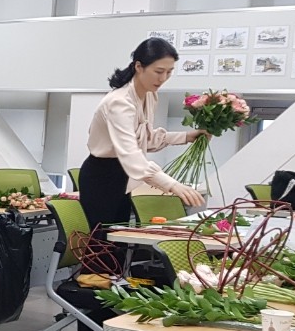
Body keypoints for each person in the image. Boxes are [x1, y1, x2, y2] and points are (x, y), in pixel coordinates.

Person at [81, 38, 208, 229]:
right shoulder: (119, 103)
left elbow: (145, 139)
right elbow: (131, 154)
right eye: (158, 71)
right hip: (102, 175)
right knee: (101, 245)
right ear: (139, 66)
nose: (163, 78)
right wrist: (173, 185)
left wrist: (186, 137)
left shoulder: (149, 95)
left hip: (122, 174)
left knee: (118, 241)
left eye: (169, 72)